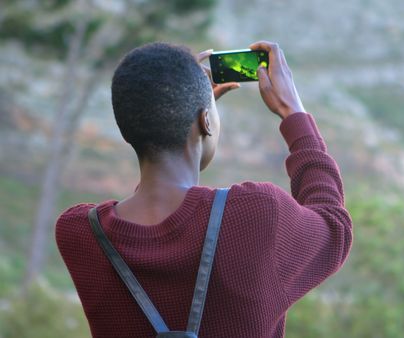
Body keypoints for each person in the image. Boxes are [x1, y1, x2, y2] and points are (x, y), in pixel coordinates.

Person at [55, 40, 353, 337]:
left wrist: (189, 122)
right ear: (206, 121)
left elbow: (151, 217)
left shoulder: (80, 234)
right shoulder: (256, 213)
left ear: (126, 129)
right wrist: (294, 113)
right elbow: (333, 225)